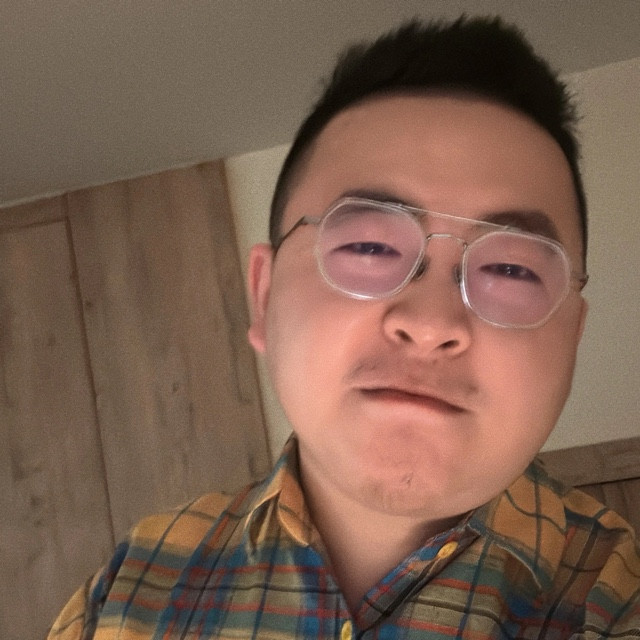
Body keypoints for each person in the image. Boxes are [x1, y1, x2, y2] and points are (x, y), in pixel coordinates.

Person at [49, 15, 640, 640]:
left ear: (571, 336)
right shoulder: (129, 589)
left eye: (512, 269)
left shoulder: (614, 600)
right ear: (264, 296)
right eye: (369, 247)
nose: (430, 324)